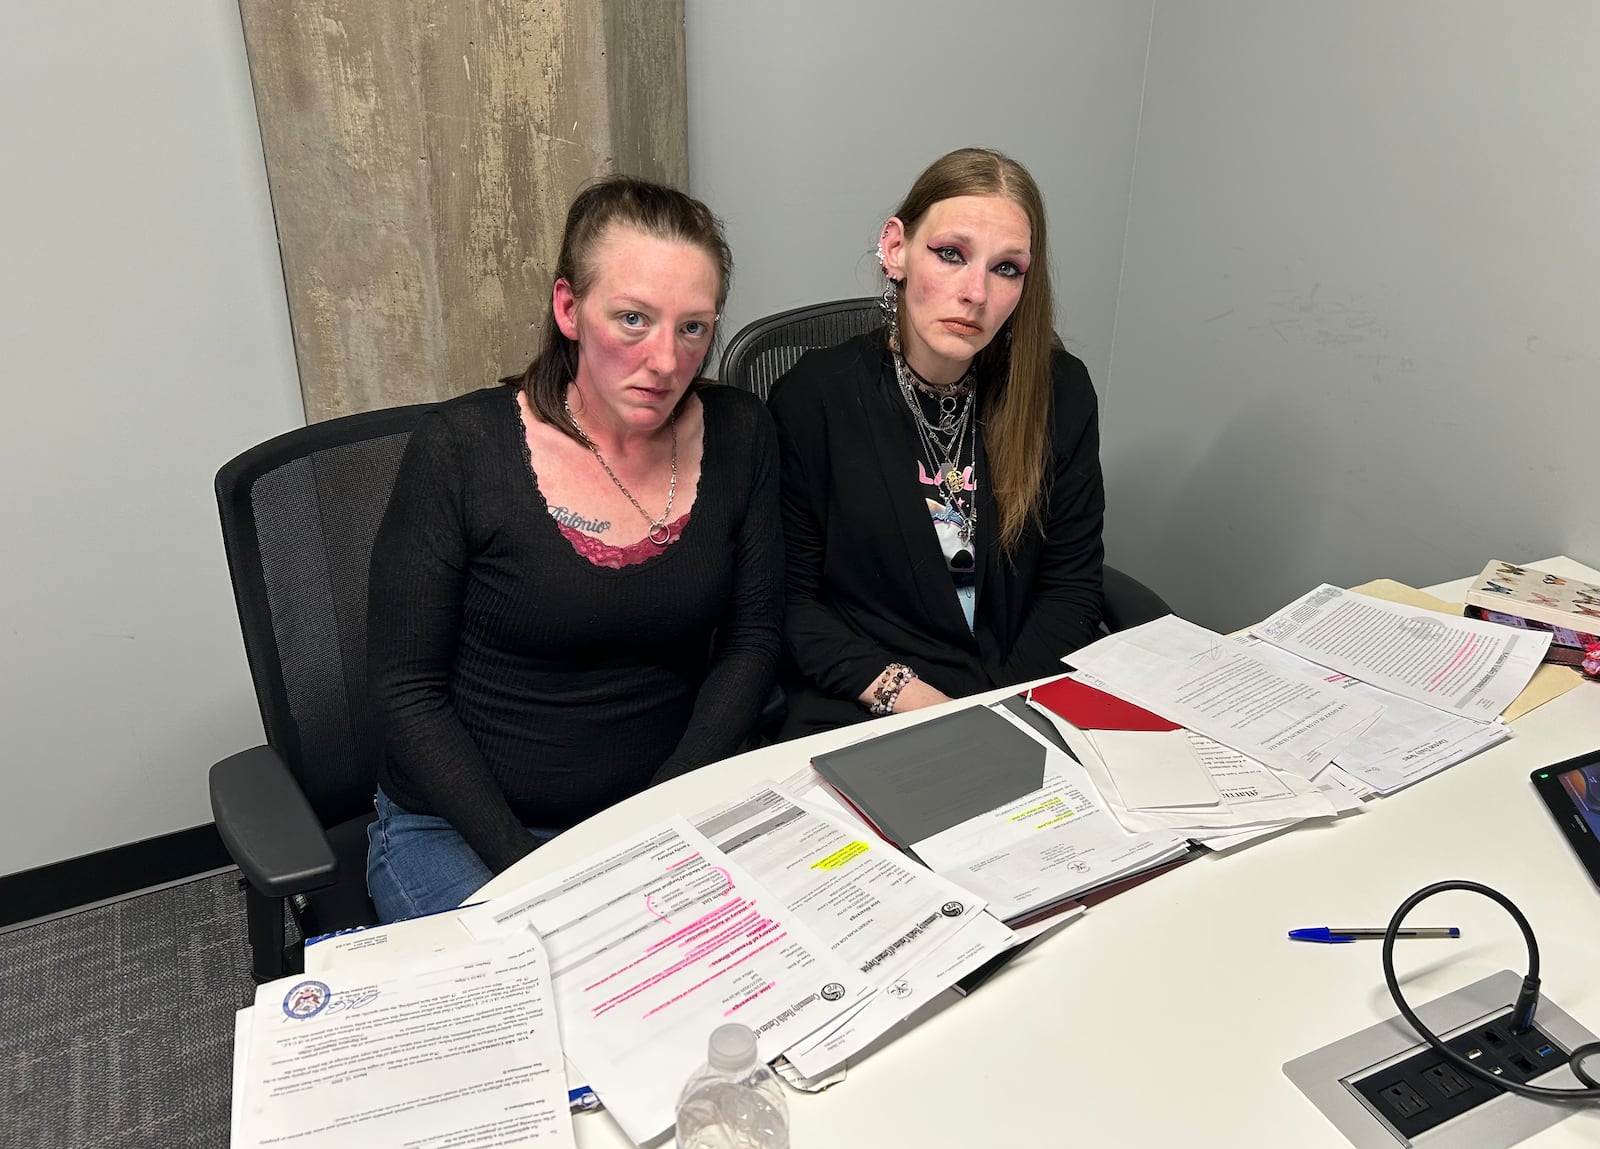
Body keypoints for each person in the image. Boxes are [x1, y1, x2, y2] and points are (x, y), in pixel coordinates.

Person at [365, 177, 781, 922]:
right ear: (568, 309)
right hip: (466, 828)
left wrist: (659, 820)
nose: (665, 359)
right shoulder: (461, 451)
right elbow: (406, 692)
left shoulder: (742, 432)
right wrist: (548, 877)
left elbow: (752, 642)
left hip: (657, 807)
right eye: (632, 319)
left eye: (693, 328)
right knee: (554, 1014)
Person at [767, 147, 1105, 738]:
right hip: (870, 706)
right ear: (895, 249)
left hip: (1017, 702)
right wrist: (922, 704)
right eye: (951, 255)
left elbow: (1070, 589)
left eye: (1006, 269)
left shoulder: (1059, 391)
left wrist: (998, 713)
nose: (975, 291)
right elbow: (794, 607)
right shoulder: (813, 398)